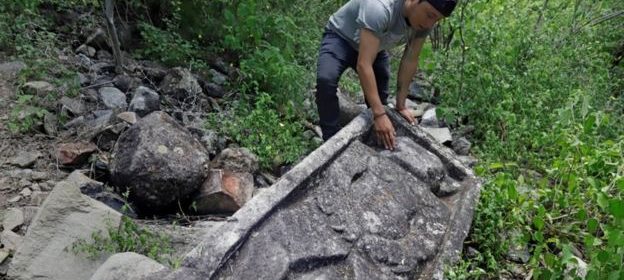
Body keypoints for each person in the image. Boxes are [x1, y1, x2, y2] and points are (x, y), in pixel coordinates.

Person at [315, 0, 456, 150]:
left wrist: (401, 106)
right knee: (326, 81)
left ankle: (376, 133)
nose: (430, 24)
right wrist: (379, 115)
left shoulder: (425, 22)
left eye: (437, 19)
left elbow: (410, 60)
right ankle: (331, 142)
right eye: (430, 15)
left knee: (380, 97)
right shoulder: (380, 7)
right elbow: (363, 64)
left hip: (374, 46)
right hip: (341, 38)